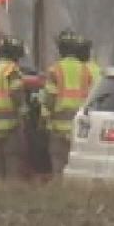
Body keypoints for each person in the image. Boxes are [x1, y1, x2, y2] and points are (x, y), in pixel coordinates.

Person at [41, 29, 92, 178]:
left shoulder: (55, 70)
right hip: (79, 129)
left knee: (58, 168)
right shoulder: (85, 70)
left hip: (58, 130)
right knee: (77, 171)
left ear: (61, 49)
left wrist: (44, 119)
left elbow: (49, 99)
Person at [0, 37, 28, 178]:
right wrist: (24, 112)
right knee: (12, 165)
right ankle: (11, 194)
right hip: (11, 126)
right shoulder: (11, 70)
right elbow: (16, 93)